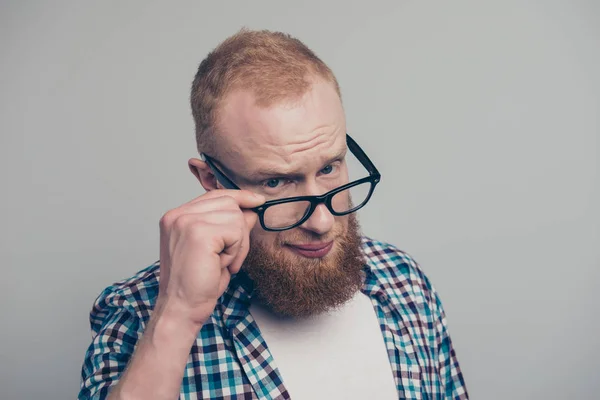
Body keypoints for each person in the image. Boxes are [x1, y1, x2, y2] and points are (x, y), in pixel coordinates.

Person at [78, 29, 468, 400]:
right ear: (212, 181)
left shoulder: (404, 283)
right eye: (277, 183)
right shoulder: (138, 313)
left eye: (330, 167)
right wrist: (176, 314)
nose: (321, 223)